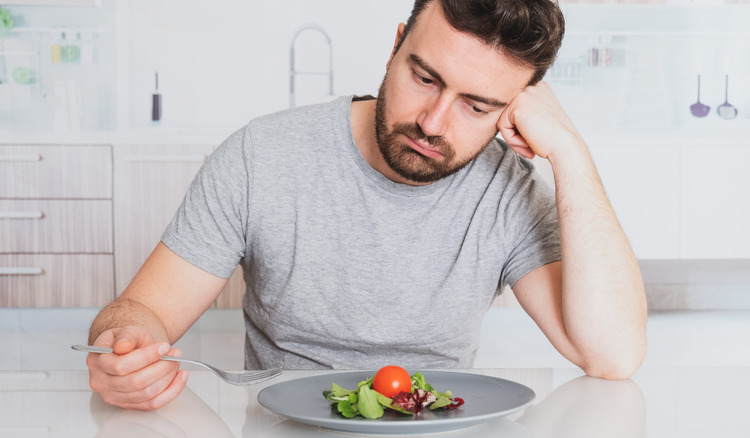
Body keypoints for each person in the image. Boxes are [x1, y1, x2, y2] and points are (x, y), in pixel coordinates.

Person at [86, 0, 647, 411]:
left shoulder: (509, 190)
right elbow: (141, 311)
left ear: (513, 109)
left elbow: (612, 357)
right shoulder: (261, 155)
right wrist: (123, 348)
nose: (433, 122)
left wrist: (571, 153)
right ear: (396, 44)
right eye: (425, 77)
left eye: (477, 106)